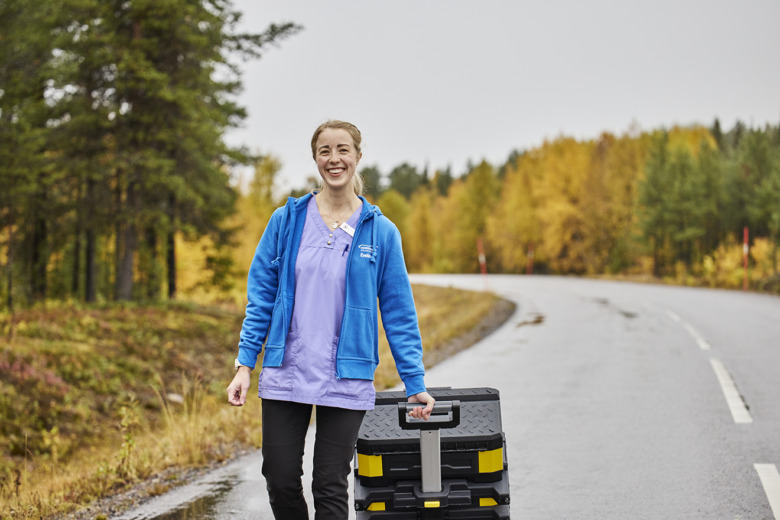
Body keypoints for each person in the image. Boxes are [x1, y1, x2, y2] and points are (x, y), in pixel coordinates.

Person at [226, 120, 435, 520]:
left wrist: (415, 384)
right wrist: (244, 364)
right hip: (287, 369)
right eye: (325, 151)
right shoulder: (286, 221)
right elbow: (261, 297)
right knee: (281, 477)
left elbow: (398, 312)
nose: (334, 159)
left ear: (358, 156)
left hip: (346, 373)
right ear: (315, 158)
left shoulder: (381, 232)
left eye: (342, 150)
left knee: (328, 482)